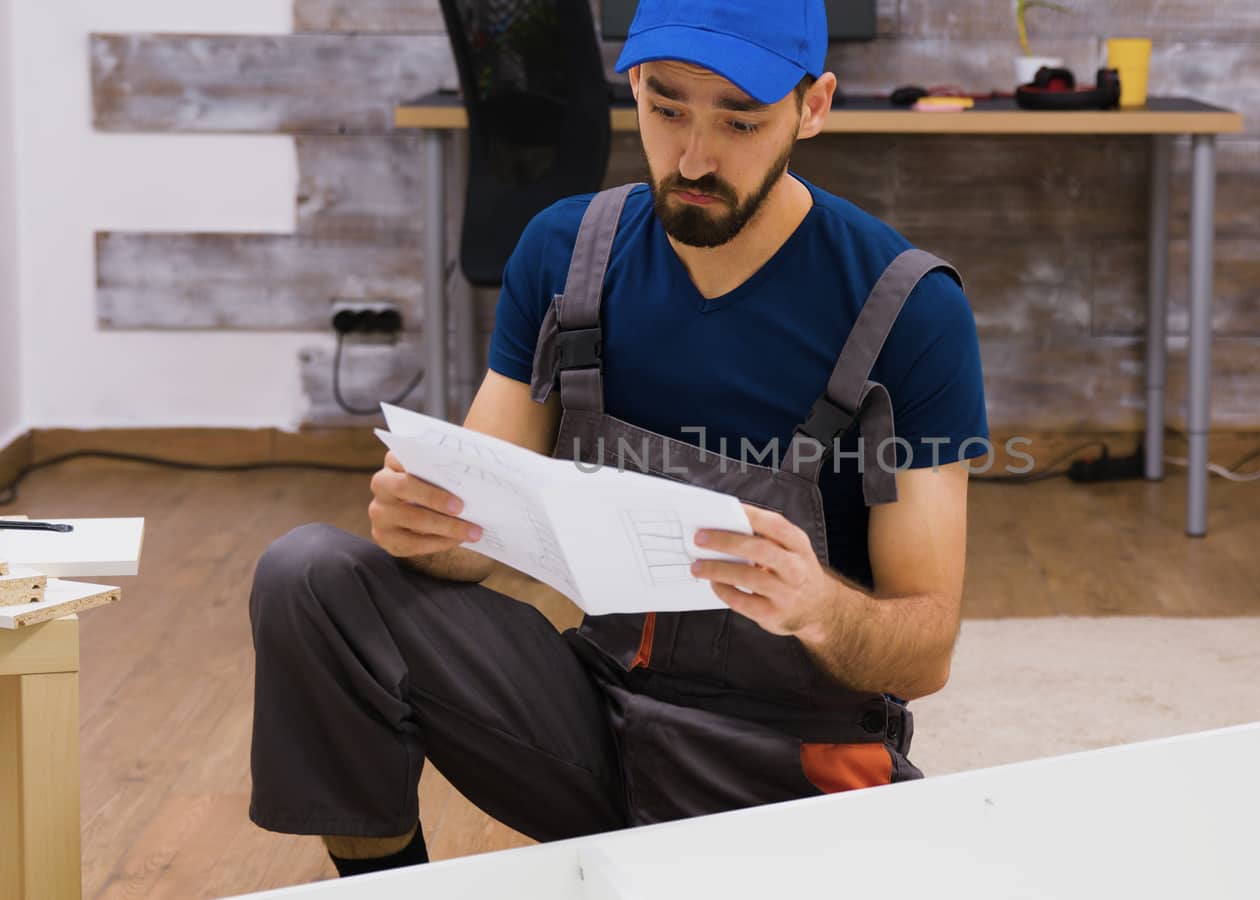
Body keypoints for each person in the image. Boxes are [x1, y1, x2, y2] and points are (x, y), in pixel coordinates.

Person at [246, 0, 989, 879]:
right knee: (311, 576)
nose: (695, 158)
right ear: (631, 84)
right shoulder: (565, 254)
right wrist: (428, 524)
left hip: (791, 765)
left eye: (740, 121)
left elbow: (926, 646)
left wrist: (818, 607)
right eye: (666, 108)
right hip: (597, 716)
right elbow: (469, 546)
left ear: (814, 106)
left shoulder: (910, 310)